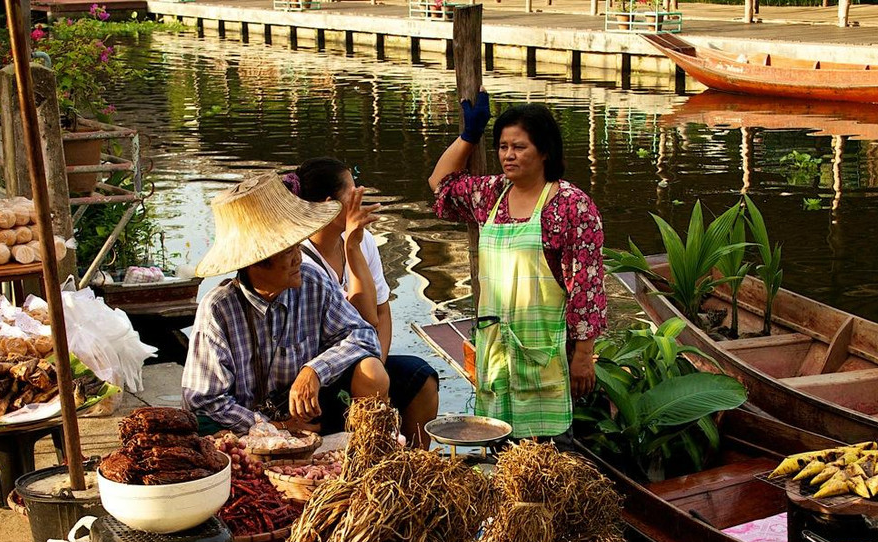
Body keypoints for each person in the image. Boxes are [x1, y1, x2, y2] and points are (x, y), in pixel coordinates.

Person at [428, 93, 607, 441]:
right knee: (497, 442)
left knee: (549, 453)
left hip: (547, 349)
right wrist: (469, 137)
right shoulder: (492, 194)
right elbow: (441, 182)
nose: (508, 155)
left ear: (544, 152)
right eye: (503, 146)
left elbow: (586, 285)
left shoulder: (570, 205)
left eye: (520, 147)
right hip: (496, 348)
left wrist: (584, 354)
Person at [182, 171, 389, 435]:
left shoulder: (311, 281)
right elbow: (204, 399)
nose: (298, 259)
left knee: (372, 369)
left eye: (296, 248)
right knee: (201, 425)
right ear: (258, 262)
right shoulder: (218, 310)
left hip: (304, 411)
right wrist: (274, 428)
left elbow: (363, 334)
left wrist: (313, 371)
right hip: (245, 426)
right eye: (287, 252)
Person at [283, 158, 439, 447]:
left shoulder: (362, 239)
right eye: (352, 192)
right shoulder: (299, 260)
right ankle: (370, 458)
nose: (360, 196)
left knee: (421, 378)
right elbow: (364, 317)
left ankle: (416, 462)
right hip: (323, 368)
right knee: (369, 372)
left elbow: (381, 310)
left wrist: (377, 361)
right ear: (331, 205)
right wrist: (351, 248)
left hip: (362, 358)